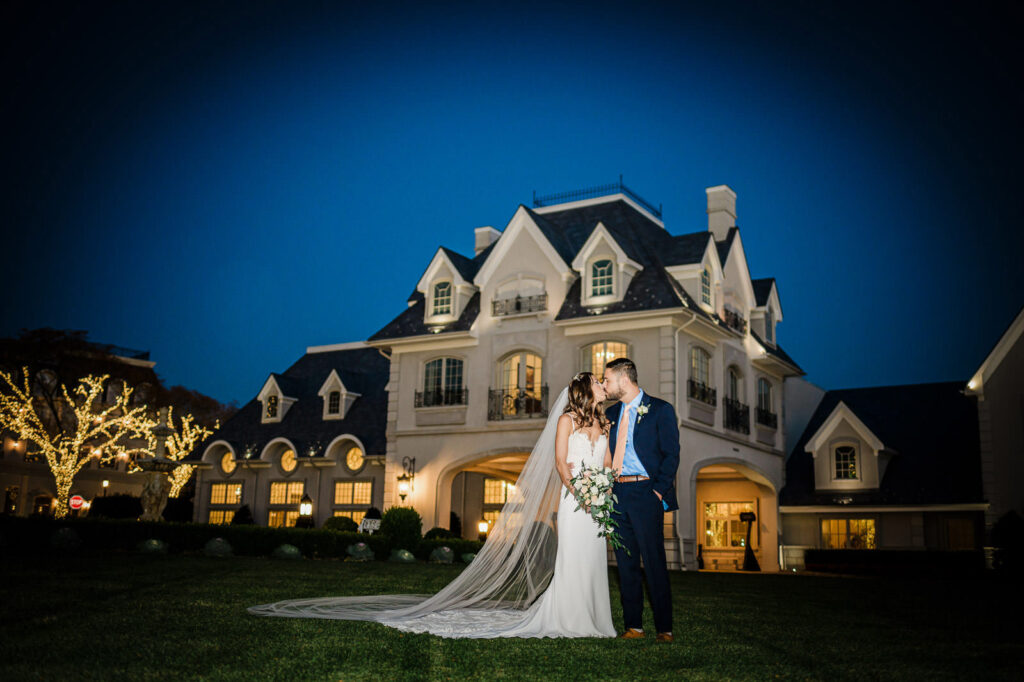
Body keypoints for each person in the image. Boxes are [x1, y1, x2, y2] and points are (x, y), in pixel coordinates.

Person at [248, 372, 624, 638]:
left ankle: (595, 621)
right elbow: (561, 463)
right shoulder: (565, 421)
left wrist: (604, 488)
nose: (601, 385)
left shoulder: (604, 425)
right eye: (596, 381)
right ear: (582, 390)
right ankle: (569, 618)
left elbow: (605, 463)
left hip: (596, 503)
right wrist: (579, 494)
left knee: (593, 560)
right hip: (574, 502)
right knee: (572, 559)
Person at [602, 357, 680, 643]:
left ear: (624, 379)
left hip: (646, 492)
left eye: (607, 379)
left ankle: (665, 629)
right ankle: (633, 625)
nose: (605, 384)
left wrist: (658, 491)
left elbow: (672, 454)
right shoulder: (610, 414)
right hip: (618, 494)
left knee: (654, 561)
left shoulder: (660, 410)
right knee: (625, 563)